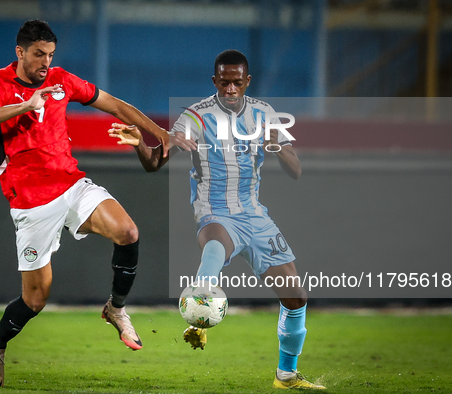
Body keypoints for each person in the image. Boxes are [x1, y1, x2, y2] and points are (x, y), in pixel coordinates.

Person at [109, 49, 325, 390]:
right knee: (215, 245)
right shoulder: (195, 117)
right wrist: (140, 143)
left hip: (255, 216)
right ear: (214, 81)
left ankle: (286, 376)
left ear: (247, 81)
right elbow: (154, 164)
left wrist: (278, 147)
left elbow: (296, 170)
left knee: (296, 298)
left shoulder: (265, 114)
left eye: (237, 82)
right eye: (224, 82)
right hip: (214, 211)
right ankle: (198, 315)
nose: (230, 89)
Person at [0, 19, 169, 387]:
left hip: (71, 183)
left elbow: (113, 104)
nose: (45, 62)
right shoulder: (1, 82)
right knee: (35, 300)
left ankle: (116, 309)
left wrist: (159, 132)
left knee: (127, 231)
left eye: (50, 54)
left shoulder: (61, 80)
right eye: (38, 54)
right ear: (20, 52)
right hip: (30, 200)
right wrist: (24, 105)